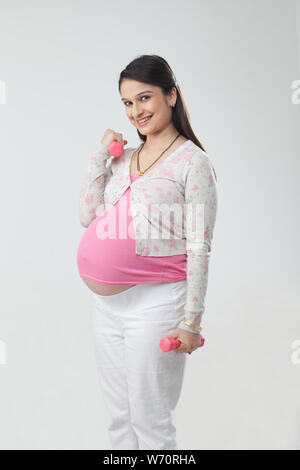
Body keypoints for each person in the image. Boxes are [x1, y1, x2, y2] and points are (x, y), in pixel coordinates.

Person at [77, 54, 218, 450]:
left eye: (144, 98)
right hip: (107, 308)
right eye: (126, 103)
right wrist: (101, 156)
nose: (135, 111)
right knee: (120, 421)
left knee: (150, 422)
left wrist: (192, 321)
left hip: (157, 304)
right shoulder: (125, 158)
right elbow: (88, 215)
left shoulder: (193, 162)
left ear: (171, 95)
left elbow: (199, 245)